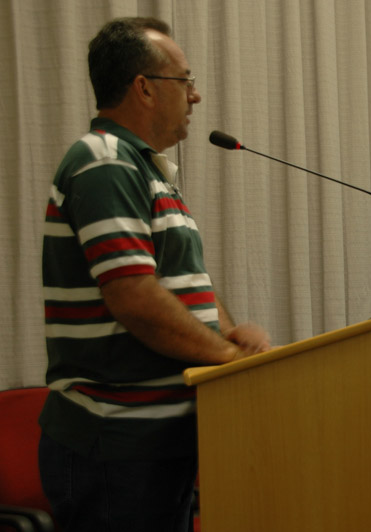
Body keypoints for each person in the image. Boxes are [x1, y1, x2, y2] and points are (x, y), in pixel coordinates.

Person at [39, 17, 271, 532]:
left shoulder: (146, 169)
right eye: (185, 81)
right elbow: (136, 298)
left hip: (157, 442)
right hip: (114, 445)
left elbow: (183, 283)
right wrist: (230, 358)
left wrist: (228, 330)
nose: (196, 96)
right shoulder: (103, 161)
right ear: (144, 88)